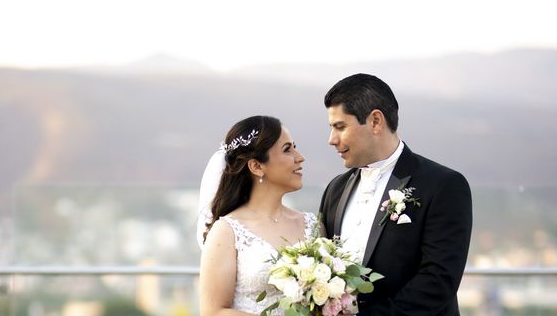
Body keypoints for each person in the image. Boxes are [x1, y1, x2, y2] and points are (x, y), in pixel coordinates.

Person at [319, 74, 472, 316]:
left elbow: (438, 280)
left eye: (340, 127)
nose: (331, 140)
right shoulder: (335, 190)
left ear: (375, 121)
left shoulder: (444, 185)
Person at [198, 115, 315, 316]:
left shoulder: (312, 225)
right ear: (257, 166)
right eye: (288, 149)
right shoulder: (227, 231)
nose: (300, 157)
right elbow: (213, 311)